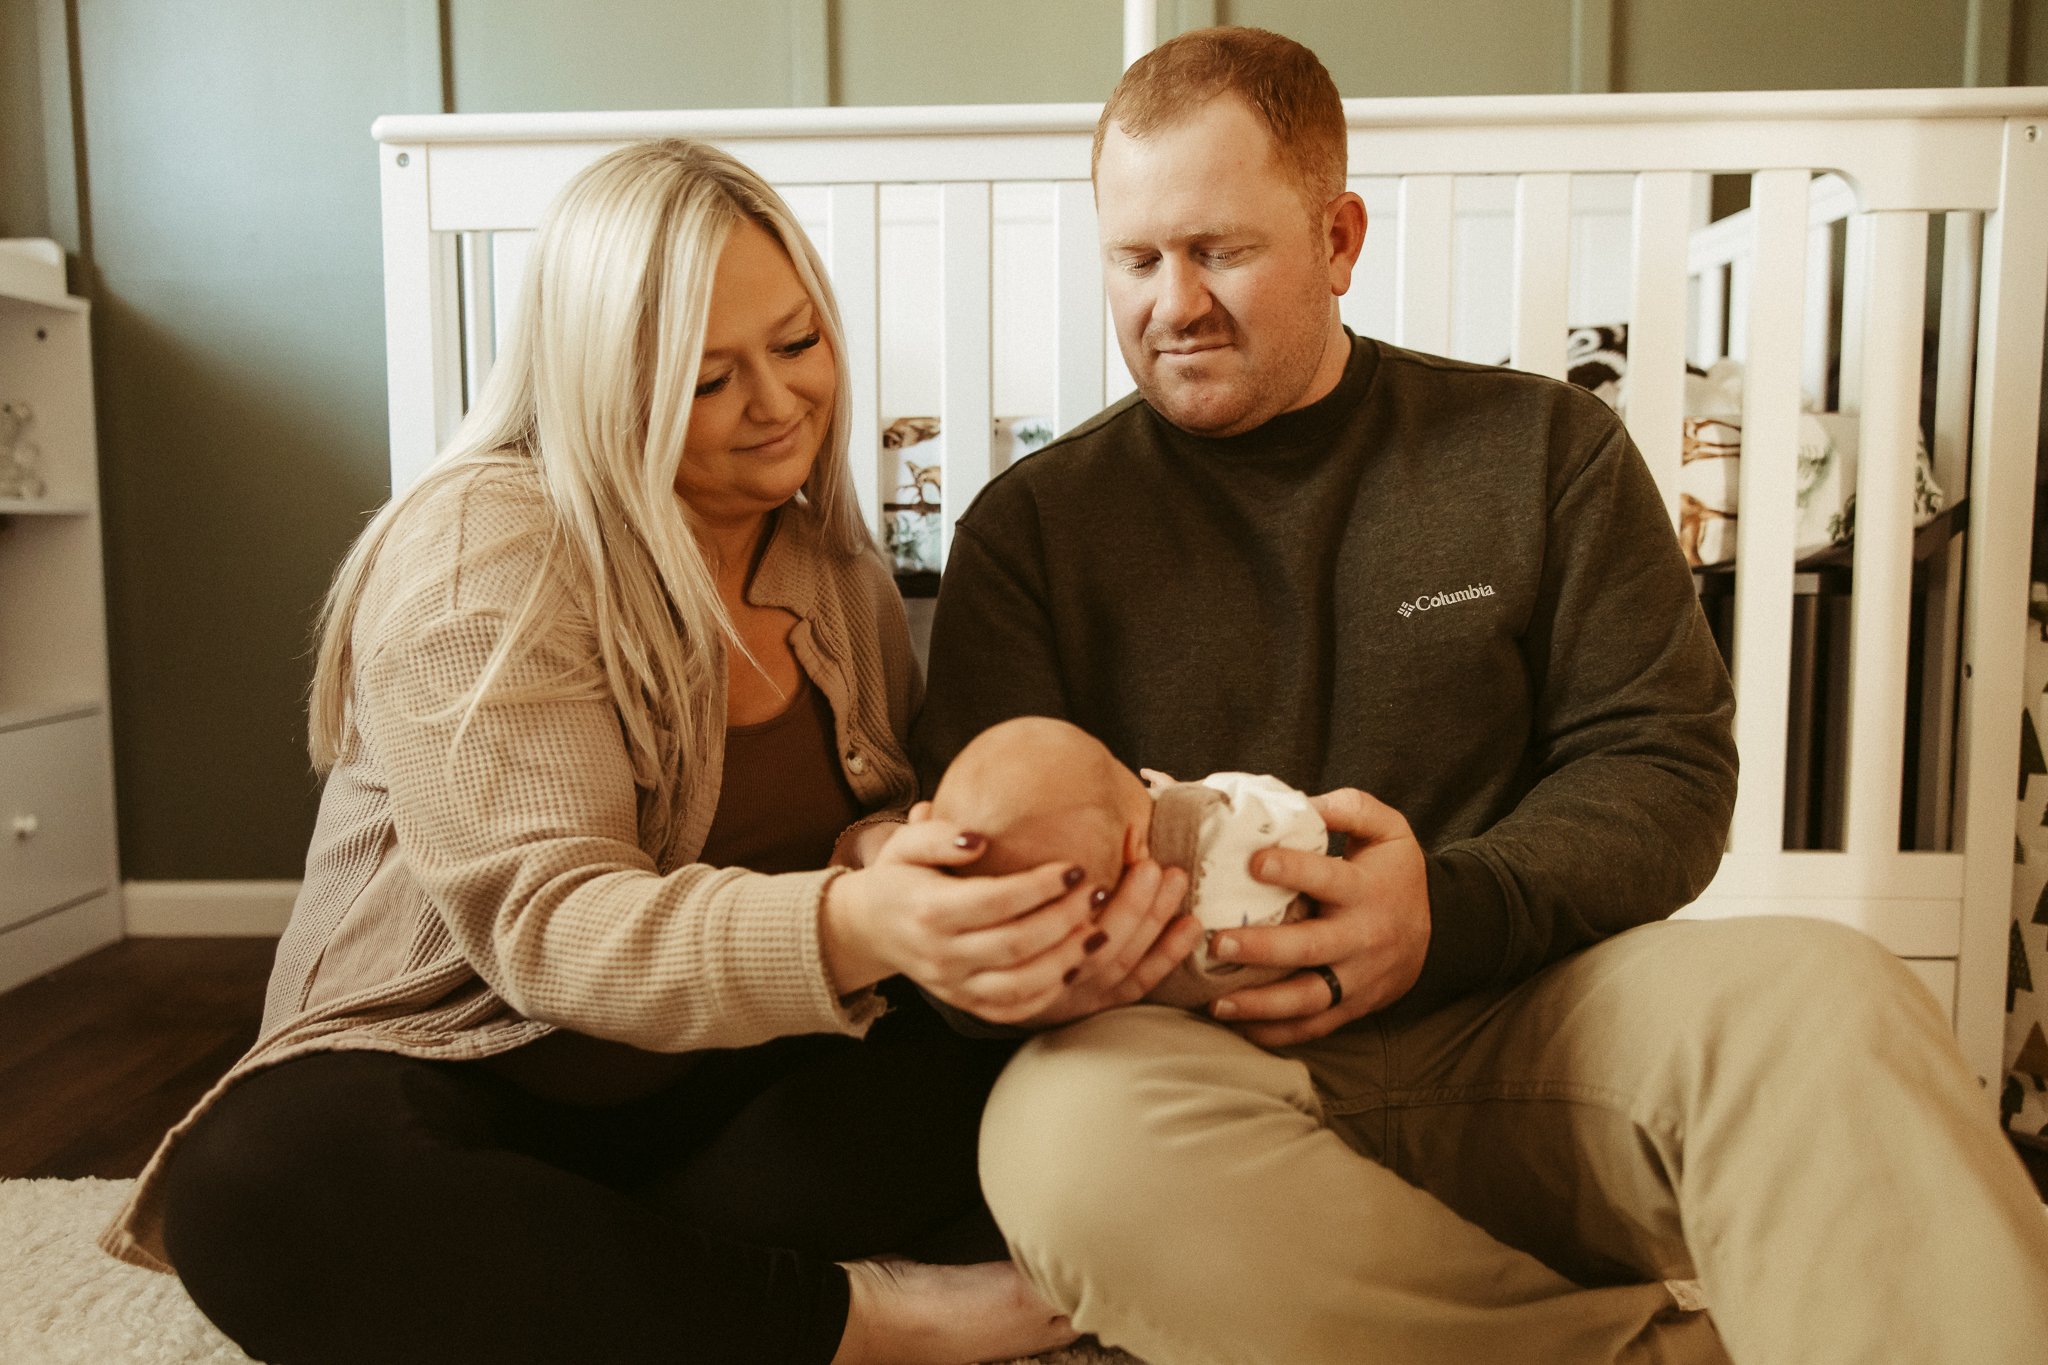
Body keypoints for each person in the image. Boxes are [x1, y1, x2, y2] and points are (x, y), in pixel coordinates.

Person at [912, 26, 2048, 1365]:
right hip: (1202, 1055)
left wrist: (1444, 912)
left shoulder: (1541, 449)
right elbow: (976, 883)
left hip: (1533, 1016)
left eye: (1220, 250)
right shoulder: (1029, 530)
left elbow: (1665, 771)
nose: (1173, 303)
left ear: (1340, 239)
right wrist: (1046, 960)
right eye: (1136, 258)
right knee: (1057, 1142)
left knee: (1827, 994)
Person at [95, 137, 1185, 1365]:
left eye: (795, 344)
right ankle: (856, 1318)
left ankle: (611, 1294)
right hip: (476, 1078)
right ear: (599, 380)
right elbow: (548, 924)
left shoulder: (827, 564)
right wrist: (855, 919)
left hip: (713, 1093)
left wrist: (917, 865)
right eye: (706, 377)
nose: (776, 405)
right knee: (263, 1189)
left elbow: (859, 828)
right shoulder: (487, 545)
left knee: (1032, 1050)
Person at [927, 714, 1326, 1007]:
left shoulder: (1094, 972)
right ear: (1134, 846)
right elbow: (1303, 826)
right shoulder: (1220, 834)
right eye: (1120, 778)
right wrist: (1195, 796)